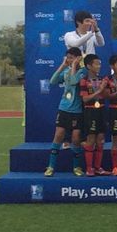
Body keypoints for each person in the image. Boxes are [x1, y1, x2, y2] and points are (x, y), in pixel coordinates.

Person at [44, 47, 87, 177]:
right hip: (64, 108)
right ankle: (51, 167)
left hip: (77, 110)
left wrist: (74, 65)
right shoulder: (66, 71)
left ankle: (76, 167)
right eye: (68, 58)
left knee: (75, 138)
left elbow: (74, 81)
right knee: (58, 136)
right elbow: (53, 80)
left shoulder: (83, 72)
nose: (69, 60)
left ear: (79, 58)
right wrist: (63, 65)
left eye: (72, 58)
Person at [79, 54, 110, 176]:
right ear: (88, 66)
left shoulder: (102, 79)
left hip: (101, 110)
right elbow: (85, 99)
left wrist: (107, 89)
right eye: (96, 64)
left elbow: (106, 96)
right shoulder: (84, 80)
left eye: (100, 64)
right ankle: (89, 168)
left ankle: (98, 167)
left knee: (100, 140)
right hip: (90, 112)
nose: (99, 66)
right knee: (91, 140)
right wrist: (99, 90)